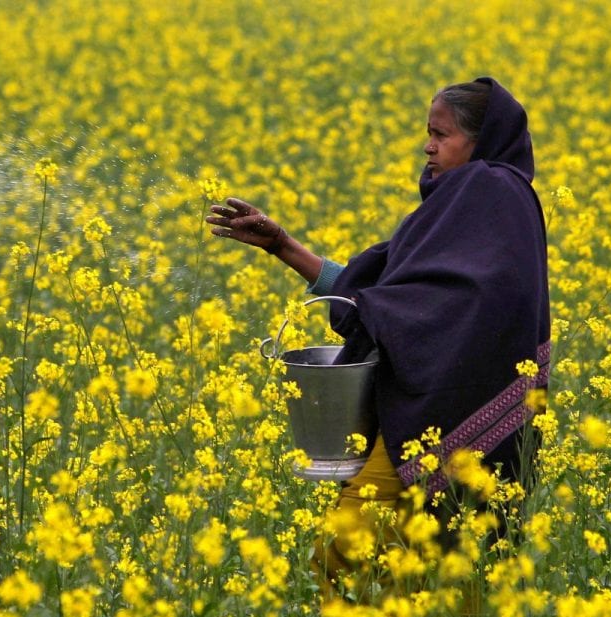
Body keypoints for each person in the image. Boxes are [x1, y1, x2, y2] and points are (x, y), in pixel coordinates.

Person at [208, 77, 551, 588]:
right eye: (428, 132)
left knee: (353, 554)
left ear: (481, 141)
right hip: (430, 411)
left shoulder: (490, 192)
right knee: (417, 571)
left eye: (442, 134)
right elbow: (388, 289)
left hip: (449, 414)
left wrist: (378, 310)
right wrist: (282, 246)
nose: (428, 146)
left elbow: (457, 302)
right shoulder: (467, 201)